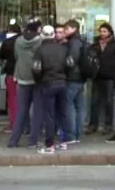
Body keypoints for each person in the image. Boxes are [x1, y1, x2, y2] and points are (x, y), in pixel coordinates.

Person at [32, 25, 69, 154]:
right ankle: (63, 142)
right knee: (62, 113)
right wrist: (65, 77)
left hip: (47, 83)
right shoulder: (64, 49)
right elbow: (70, 64)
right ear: (54, 34)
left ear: (42, 35)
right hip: (62, 83)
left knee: (49, 115)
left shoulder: (39, 50)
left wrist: (39, 81)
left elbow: (36, 69)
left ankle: (50, 145)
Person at [8, 20, 42, 148]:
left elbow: (16, 56)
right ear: (37, 29)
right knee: (36, 112)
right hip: (36, 79)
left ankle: (13, 141)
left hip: (21, 78)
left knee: (21, 111)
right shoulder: (40, 41)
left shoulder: (18, 41)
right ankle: (32, 141)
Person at [87, 23, 115, 136]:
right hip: (97, 77)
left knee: (108, 102)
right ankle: (93, 125)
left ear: (110, 32)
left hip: (110, 77)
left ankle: (108, 125)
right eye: (101, 31)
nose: (102, 34)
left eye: (104, 31)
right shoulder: (95, 44)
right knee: (94, 102)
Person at [62, 20, 87, 144]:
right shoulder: (82, 40)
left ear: (73, 28)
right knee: (79, 107)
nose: (64, 32)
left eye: (66, 29)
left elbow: (71, 61)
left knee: (69, 106)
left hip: (72, 78)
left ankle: (71, 135)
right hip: (80, 77)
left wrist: (63, 70)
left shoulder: (74, 42)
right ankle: (77, 134)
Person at [0, 24, 21, 133]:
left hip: (11, 73)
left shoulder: (7, 42)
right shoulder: (25, 40)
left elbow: (2, 56)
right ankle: (24, 125)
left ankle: (14, 124)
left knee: (12, 100)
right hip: (26, 75)